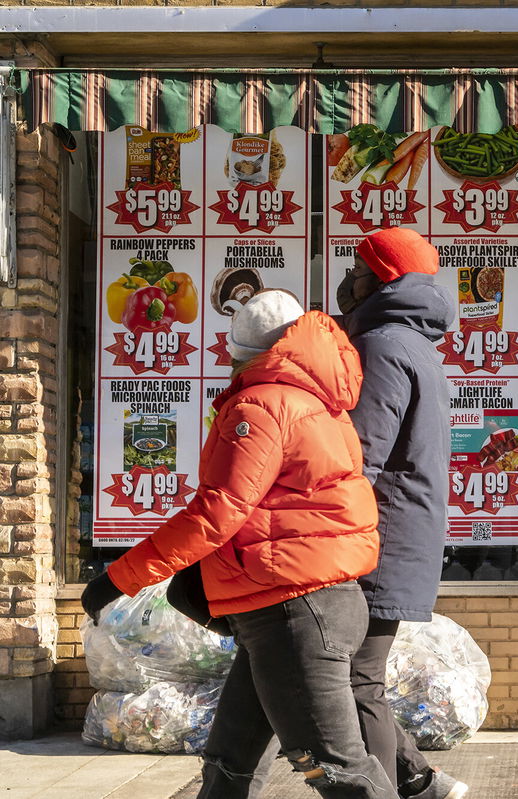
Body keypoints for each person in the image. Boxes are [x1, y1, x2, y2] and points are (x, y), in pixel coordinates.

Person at [80, 290, 398, 799]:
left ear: (241, 352)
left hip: (292, 610)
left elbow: (217, 512)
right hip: (296, 605)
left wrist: (118, 578)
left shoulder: (262, 403)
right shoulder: (317, 401)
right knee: (230, 763)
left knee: (339, 773)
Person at [335, 228, 466, 799]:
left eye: (357, 267)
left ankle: (399, 786)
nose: (349, 278)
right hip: (396, 532)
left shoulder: (383, 344)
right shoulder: (413, 343)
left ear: (381, 278)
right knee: (355, 681)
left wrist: (333, 536)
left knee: (355, 683)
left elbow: (361, 455)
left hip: (377, 536)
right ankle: (420, 781)